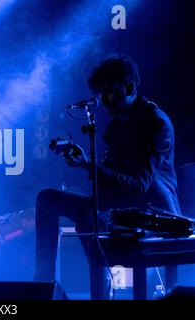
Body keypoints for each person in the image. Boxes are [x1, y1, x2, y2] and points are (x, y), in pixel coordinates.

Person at [34, 56, 180, 298]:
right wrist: (84, 164)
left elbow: (139, 186)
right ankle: (43, 288)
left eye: (110, 92)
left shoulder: (155, 123)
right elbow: (111, 180)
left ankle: (102, 290)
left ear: (130, 88)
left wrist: (89, 165)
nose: (103, 100)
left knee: (88, 219)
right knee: (47, 199)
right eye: (100, 94)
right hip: (119, 207)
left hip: (152, 213)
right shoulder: (116, 126)